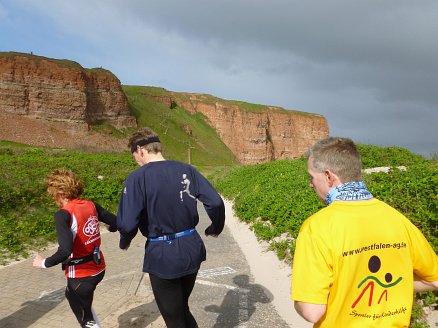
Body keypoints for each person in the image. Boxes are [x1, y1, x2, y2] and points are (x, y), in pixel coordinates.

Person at [291, 137, 438, 327]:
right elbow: (435, 281)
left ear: (329, 176)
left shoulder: (317, 227)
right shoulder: (397, 218)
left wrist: (299, 296)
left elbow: (312, 311)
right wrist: (396, 284)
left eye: (312, 176)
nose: (311, 184)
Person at [117, 127, 225, 328]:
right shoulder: (188, 169)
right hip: (191, 246)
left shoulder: (137, 177)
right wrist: (215, 227)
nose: (136, 161)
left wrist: (124, 241)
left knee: (174, 319)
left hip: (163, 254)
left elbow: (127, 223)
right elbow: (216, 202)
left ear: (140, 149)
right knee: (182, 308)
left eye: (134, 156)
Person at [33, 168, 117, 328]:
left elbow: (65, 250)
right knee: (78, 302)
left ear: (61, 194)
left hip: (80, 274)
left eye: (53, 195)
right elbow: (117, 222)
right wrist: (109, 227)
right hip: (99, 268)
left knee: (85, 318)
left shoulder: (63, 214)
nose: (53, 199)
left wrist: (43, 263)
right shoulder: (91, 204)